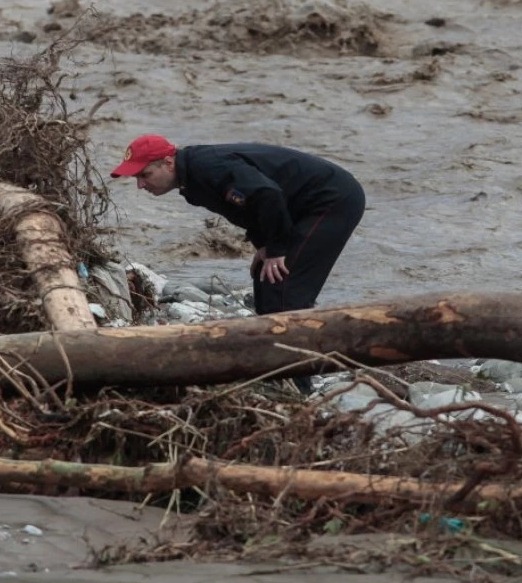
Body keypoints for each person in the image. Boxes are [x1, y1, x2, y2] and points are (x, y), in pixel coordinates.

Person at [111, 135, 367, 392]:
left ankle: (300, 385)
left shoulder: (209, 168)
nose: (140, 185)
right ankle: (277, 370)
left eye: (144, 175)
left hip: (332, 200)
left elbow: (267, 195)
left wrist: (277, 249)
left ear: (167, 163)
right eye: (136, 178)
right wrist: (264, 246)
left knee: (284, 289)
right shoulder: (190, 178)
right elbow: (249, 208)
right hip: (295, 208)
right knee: (265, 278)